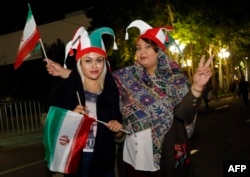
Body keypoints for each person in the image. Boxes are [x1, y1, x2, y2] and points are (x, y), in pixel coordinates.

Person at [45, 20, 213, 177]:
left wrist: (197, 88)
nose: (141, 52)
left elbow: (183, 114)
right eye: (139, 47)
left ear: (160, 51)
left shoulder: (177, 81)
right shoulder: (125, 77)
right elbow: (97, 77)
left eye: (148, 47)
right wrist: (64, 72)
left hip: (169, 151)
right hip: (134, 155)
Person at [45, 26, 124, 177]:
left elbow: (119, 133)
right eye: (88, 61)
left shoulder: (110, 89)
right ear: (80, 63)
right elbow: (51, 123)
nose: (94, 66)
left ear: (104, 63)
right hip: (75, 160)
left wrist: (118, 129)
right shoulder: (66, 89)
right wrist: (70, 117)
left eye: (99, 60)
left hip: (103, 162)